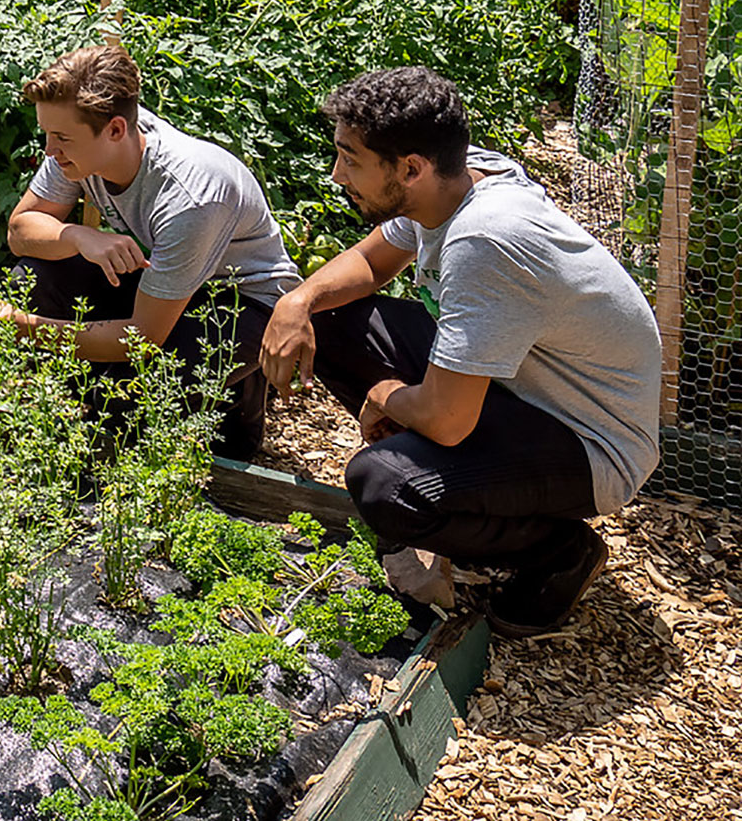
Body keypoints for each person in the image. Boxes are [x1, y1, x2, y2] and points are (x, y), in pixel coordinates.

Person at [260, 67, 661, 637]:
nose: (335, 173)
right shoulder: (454, 181)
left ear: (411, 169)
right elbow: (372, 265)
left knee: (384, 486)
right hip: (521, 390)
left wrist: (385, 396)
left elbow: (448, 422)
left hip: (591, 442)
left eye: (350, 159)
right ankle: (466, 491)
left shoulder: (484, 241)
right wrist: (296, 302)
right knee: (329, 319)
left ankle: (557, 551)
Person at [0, 43, 300, 458]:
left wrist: (24, 326)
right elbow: (21, 230)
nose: (48, 150)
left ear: (116, 130)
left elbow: (142, 339)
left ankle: (240, 393)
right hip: (164, 276)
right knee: (35, 278)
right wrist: (79, 236)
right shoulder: (80, 143)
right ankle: (113, 393)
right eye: (47, 134)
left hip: (243, 300)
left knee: (125, 402)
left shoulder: (190, 196)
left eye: (60, 138)